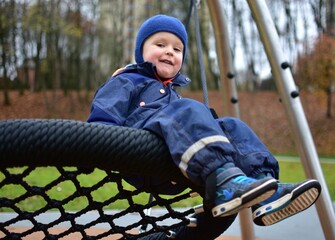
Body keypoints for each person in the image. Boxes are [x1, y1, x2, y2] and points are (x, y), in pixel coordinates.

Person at [87, 14, 321, 239]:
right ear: (141, 52)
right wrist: (91, 148)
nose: (170, 51)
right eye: (160, 44)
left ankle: (265, 188)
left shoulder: (174, 98)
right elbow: (103, 116)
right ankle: (223, 180)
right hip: (142, 158)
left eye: (177, 49)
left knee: (231, 125)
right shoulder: (127, 80)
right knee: (189, 109)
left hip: (178, 165)